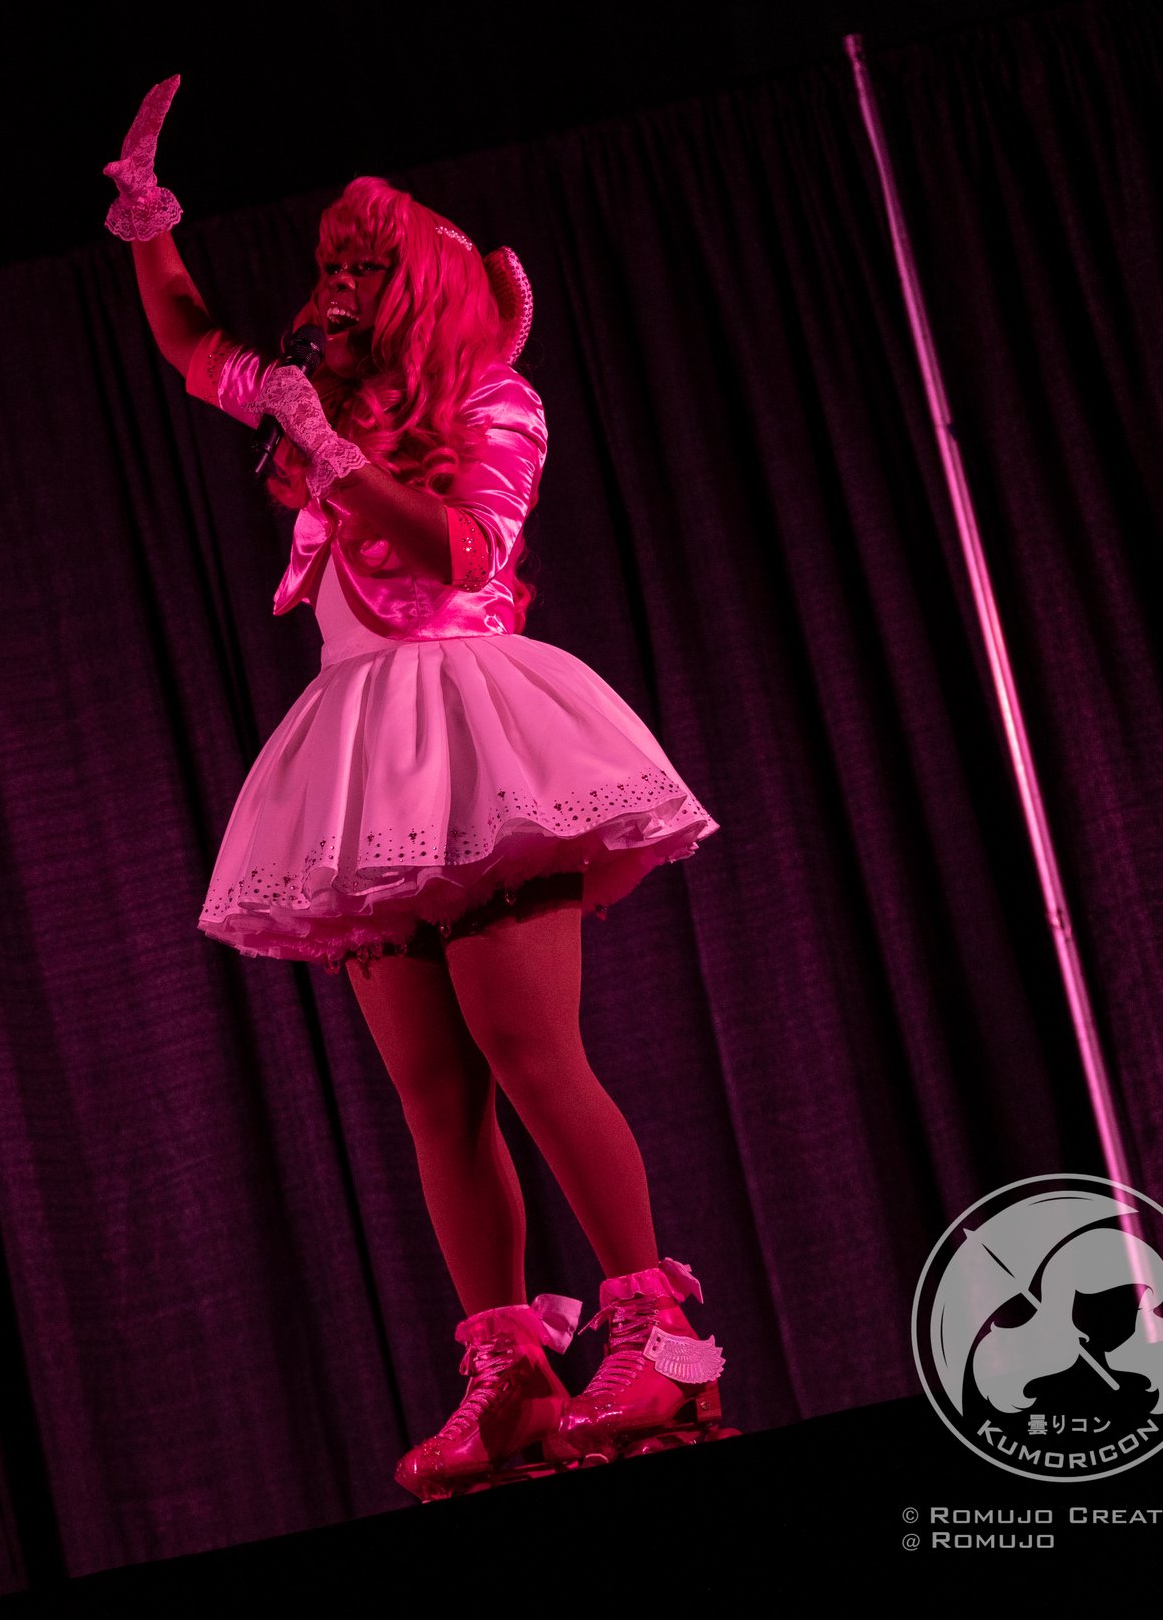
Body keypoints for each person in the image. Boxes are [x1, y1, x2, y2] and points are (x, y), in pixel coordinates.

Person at [104, 76, 734, 1499]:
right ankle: (510, 1374)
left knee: (529, 1051)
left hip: (475, 724)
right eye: (327, 267)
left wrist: (334, 464)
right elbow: (193, 345)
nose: (329, 291)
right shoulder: (315, 397)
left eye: (357, 269)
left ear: (418, 288)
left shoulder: (495, 400)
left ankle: (652, 1325)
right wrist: (150, 225)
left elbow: (462, 555)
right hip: (359, 751)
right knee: (431, 1089)